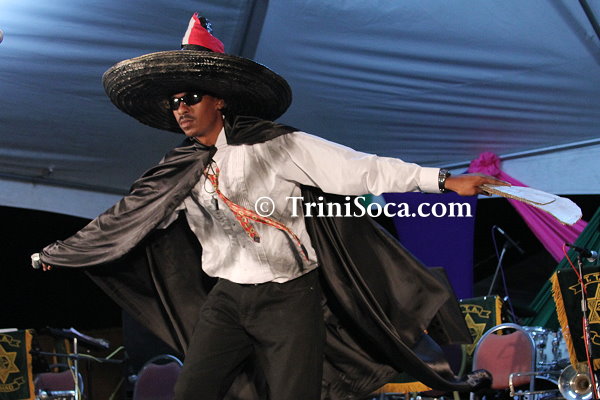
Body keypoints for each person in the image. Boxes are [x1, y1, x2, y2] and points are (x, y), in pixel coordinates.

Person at [33, 13, 503, 400]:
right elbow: (127, 216)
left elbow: (361, 169)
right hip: (227, 299)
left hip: (289, 298)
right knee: (192, 391)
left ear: (219, 100)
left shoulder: (277, 146)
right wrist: (64, 252)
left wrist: (442, 180)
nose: (181, 109)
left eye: (191, 97)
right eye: (174, 102)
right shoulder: (179, 168)